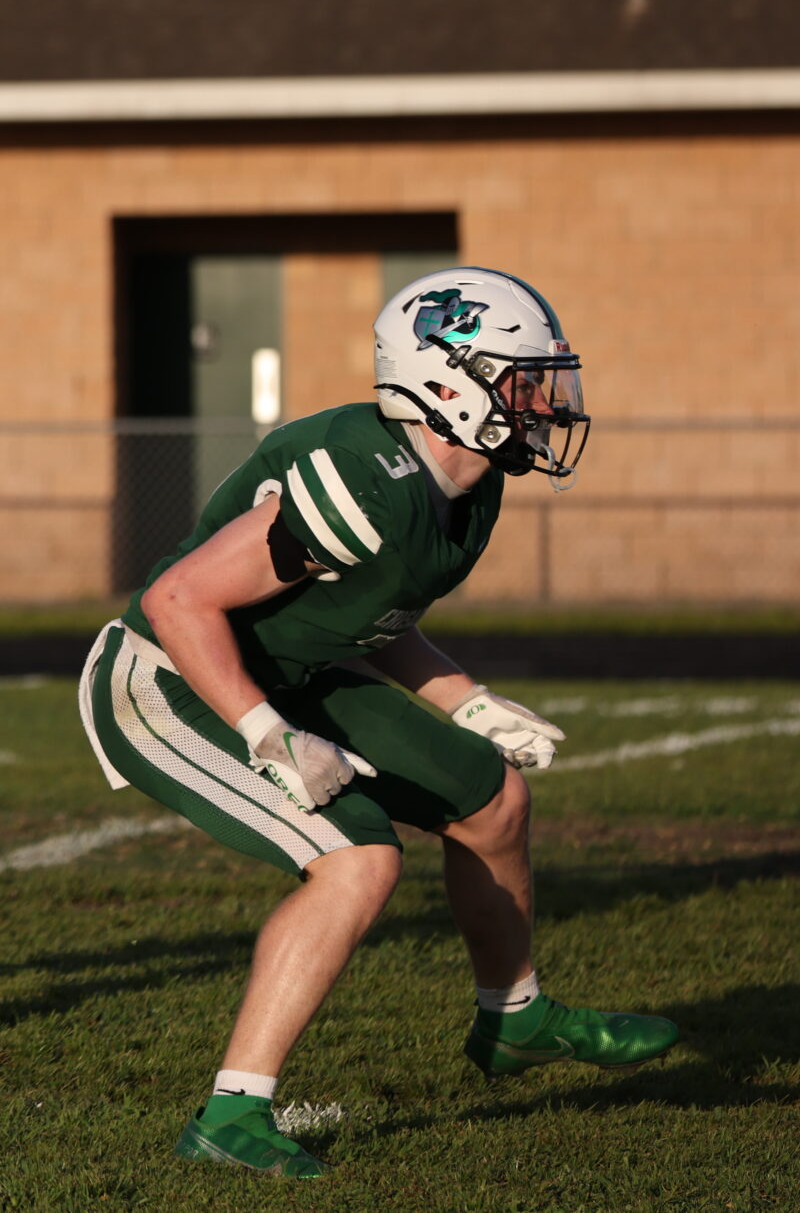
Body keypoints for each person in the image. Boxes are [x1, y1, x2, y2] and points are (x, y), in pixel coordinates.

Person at [78, 268, 677, 1178]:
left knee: (492, 798)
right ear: (447, 383)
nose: (544, 400)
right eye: (521, 378)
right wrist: (269, 736)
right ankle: (231, 1114)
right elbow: (178, 598)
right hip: (172, 677)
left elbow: (368, 616)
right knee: (358, 860)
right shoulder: (363, 476)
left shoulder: (469, 485)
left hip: (293, 669)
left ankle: (514, 1017)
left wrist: (463, 699)